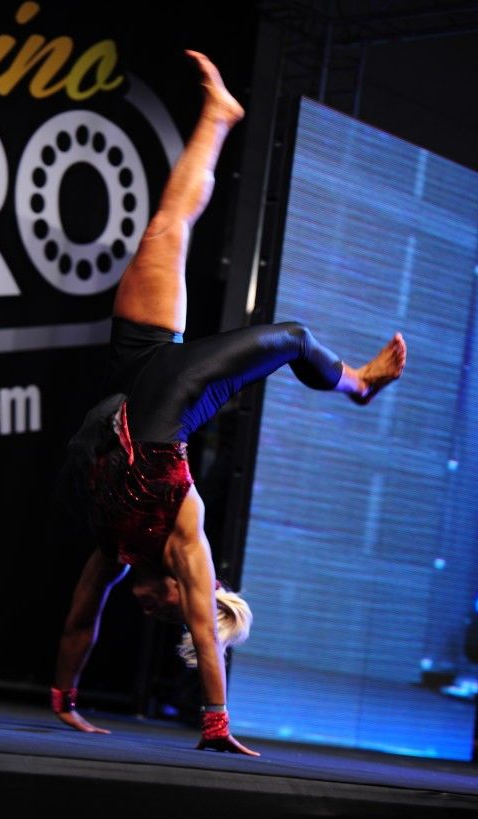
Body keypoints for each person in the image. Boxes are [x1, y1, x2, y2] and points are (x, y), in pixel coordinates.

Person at [50, 49, 407, 755]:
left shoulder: (116, 550)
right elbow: (206, 633)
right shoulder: (187, 535)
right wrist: (216, 723)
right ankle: (359, 384)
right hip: (180, 385)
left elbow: (79, 619)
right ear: (192, 592)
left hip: (135, 370)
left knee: (163, 229)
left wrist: (64, 700)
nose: (150, 610)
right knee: (292, 337)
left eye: (156, 616)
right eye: (168, 612)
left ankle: (218, 115)